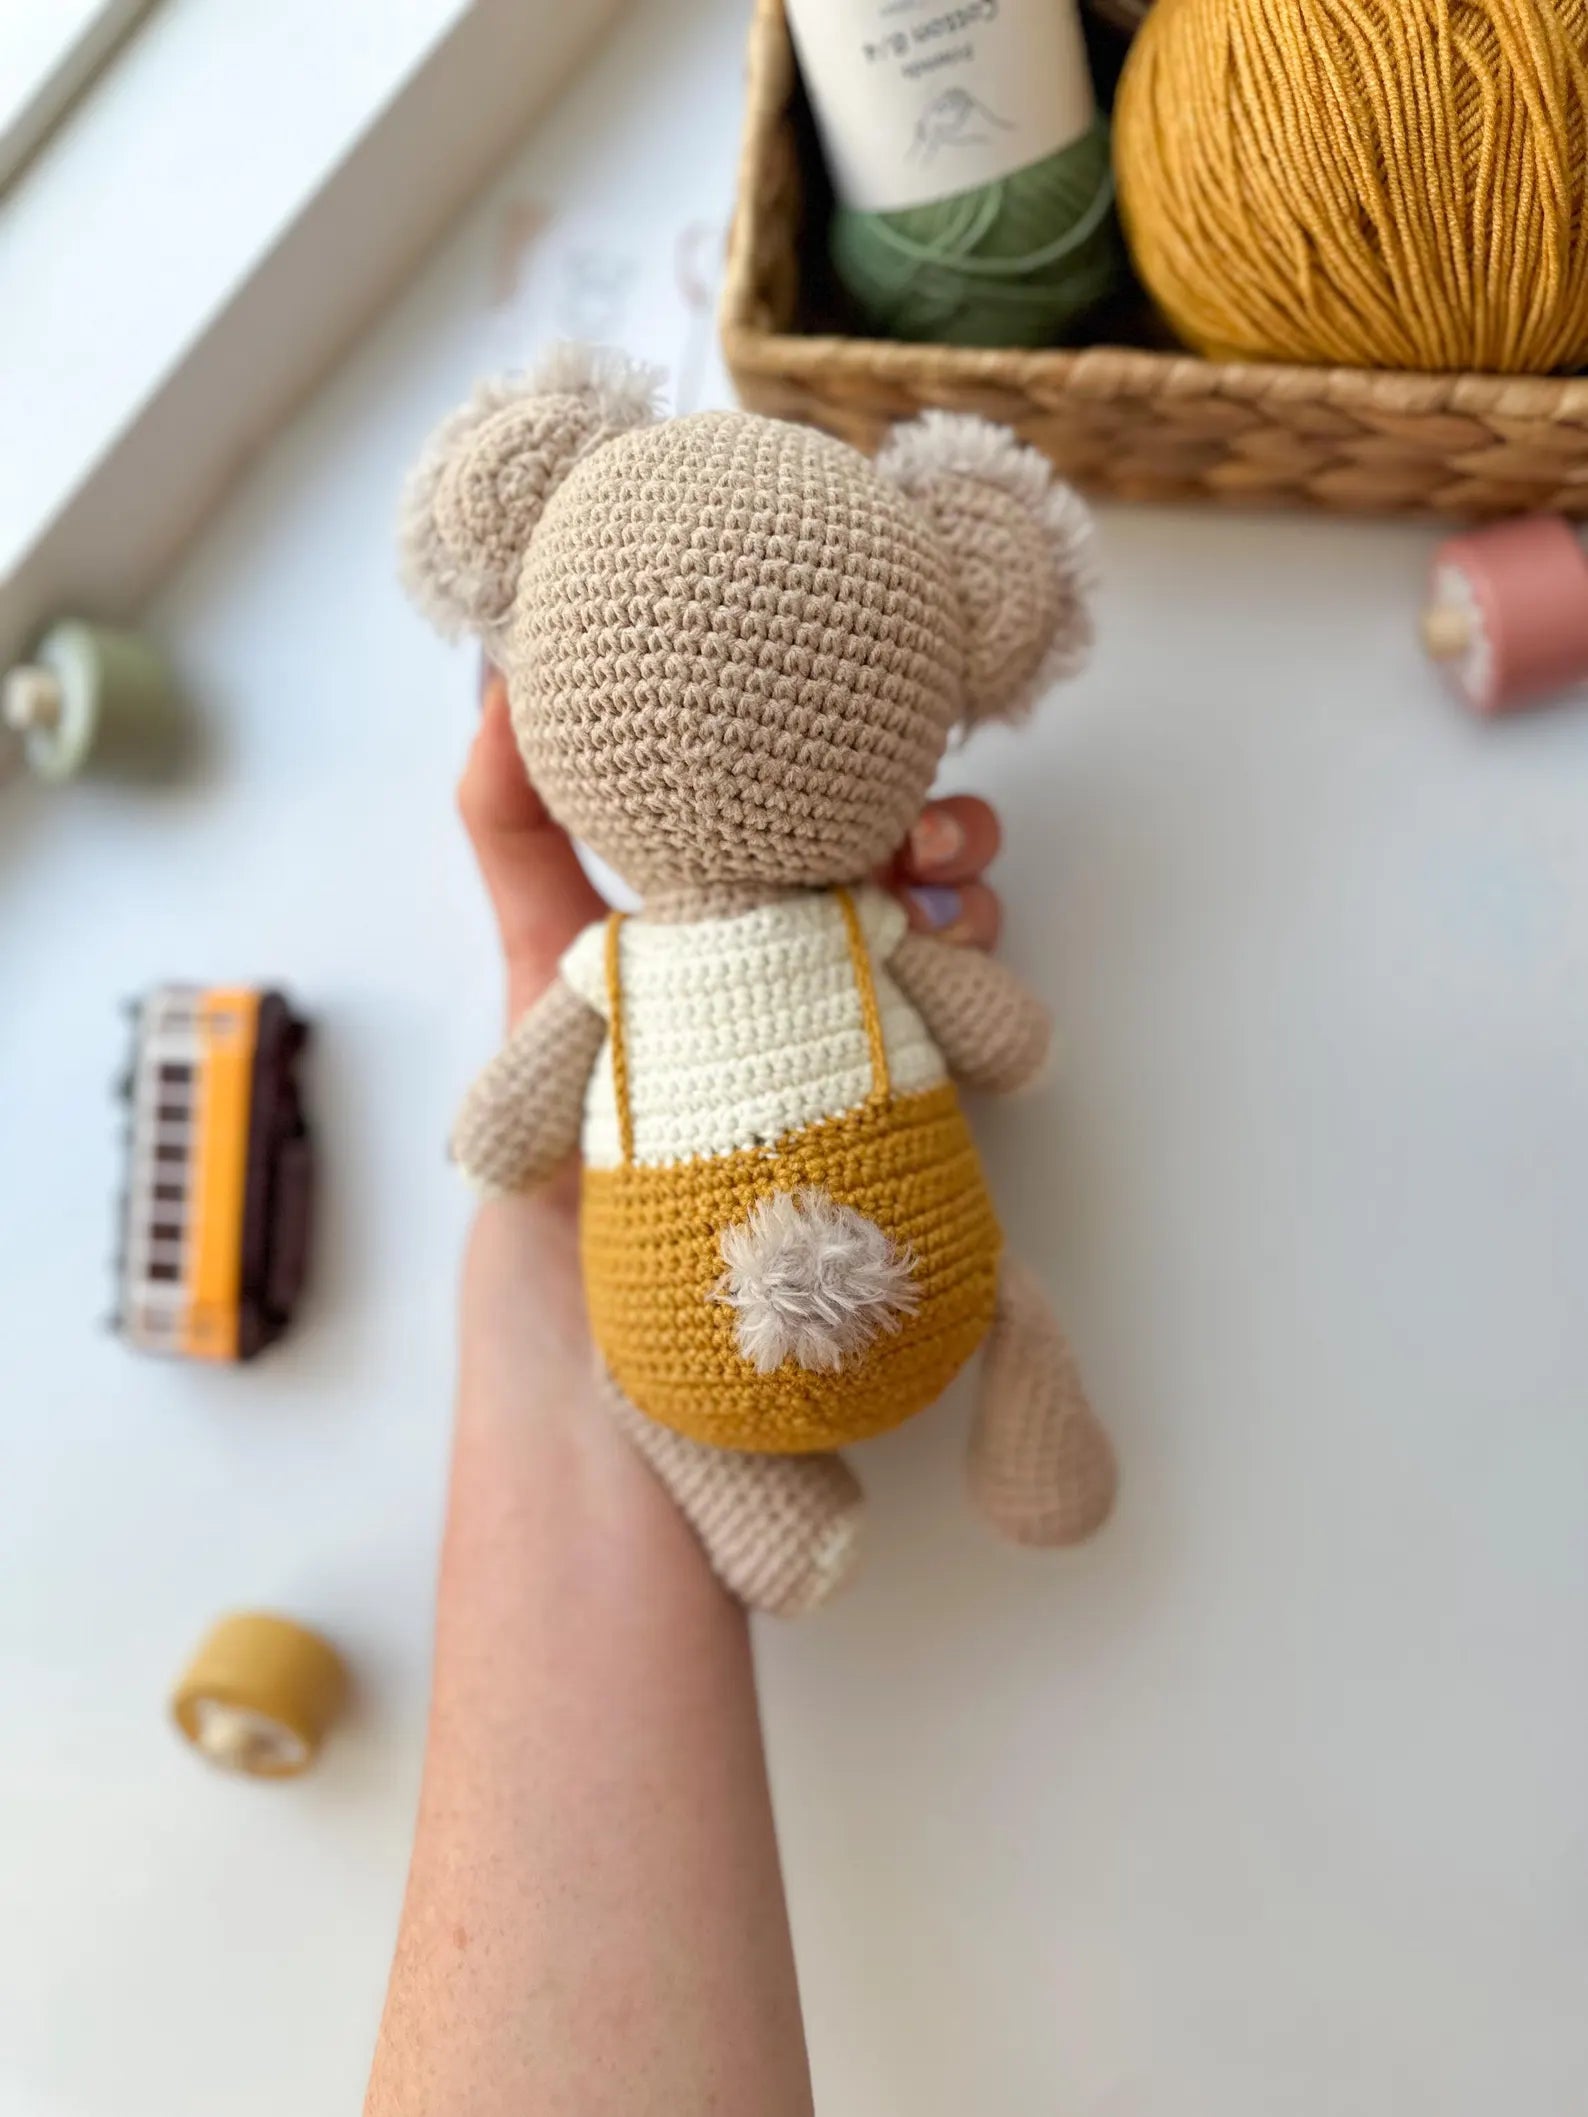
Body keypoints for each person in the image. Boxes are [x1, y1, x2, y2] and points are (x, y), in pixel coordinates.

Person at [363, 671, 1007, 2115]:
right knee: (940, 1307)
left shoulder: (789, 935)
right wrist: (534, 1213)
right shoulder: (615, 970)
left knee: (991, 1302)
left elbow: (499, 1135)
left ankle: (1013, 1402)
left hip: (872, 1263)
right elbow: (509, 1129)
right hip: (678, 1308)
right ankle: (767, 1486)